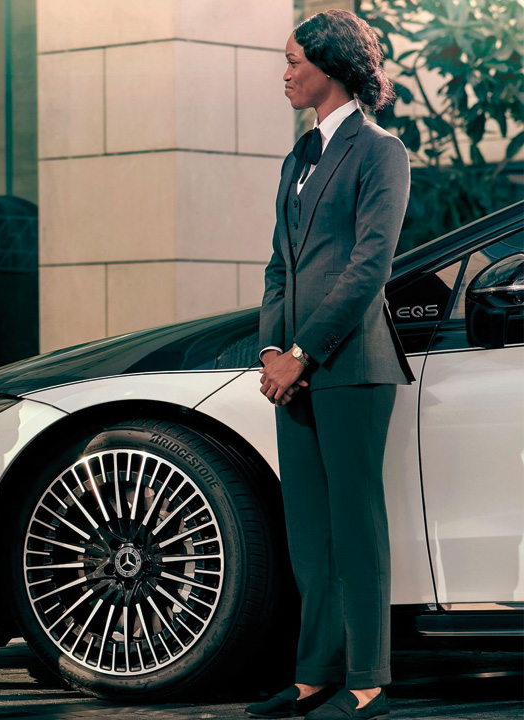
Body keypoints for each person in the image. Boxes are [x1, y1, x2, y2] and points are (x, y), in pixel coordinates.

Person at [247, 9, 413, 720]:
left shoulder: (381, 151)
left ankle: (368, 680)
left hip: (351, 365)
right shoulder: (297, 158)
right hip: (294, 368)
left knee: (355, 525)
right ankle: (314, 674)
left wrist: (304, 351)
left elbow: (368, 266)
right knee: (308, 530)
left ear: (330, 67)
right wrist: (269, 347)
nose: (284, 73)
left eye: (293, 60)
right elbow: (278, 267)